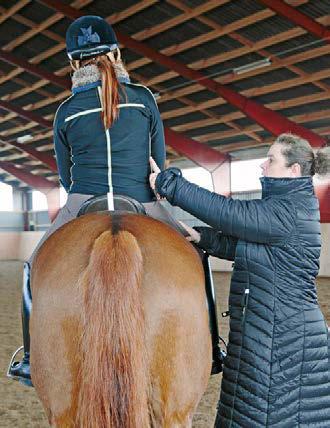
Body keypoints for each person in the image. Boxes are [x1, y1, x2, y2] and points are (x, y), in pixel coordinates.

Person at [8, 15, 167, 385]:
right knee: (197, 256)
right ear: (115, 53)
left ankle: (31, 358)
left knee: (33, 267)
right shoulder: (143, 99)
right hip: (143, 197)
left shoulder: (66, 110)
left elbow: (66, 177)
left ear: (73, 63)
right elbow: (159, 163)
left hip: (83, 200)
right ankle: (212, 346)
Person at [150, 133, 330, 427]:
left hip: (281, 341)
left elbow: (227, 213)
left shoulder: (288, 211)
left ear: (293, 171)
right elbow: (248, 247)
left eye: (271, 159)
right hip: (272, 331)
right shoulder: (287, 208)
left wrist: (169, 185)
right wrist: (203, 237)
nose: (262, 165)